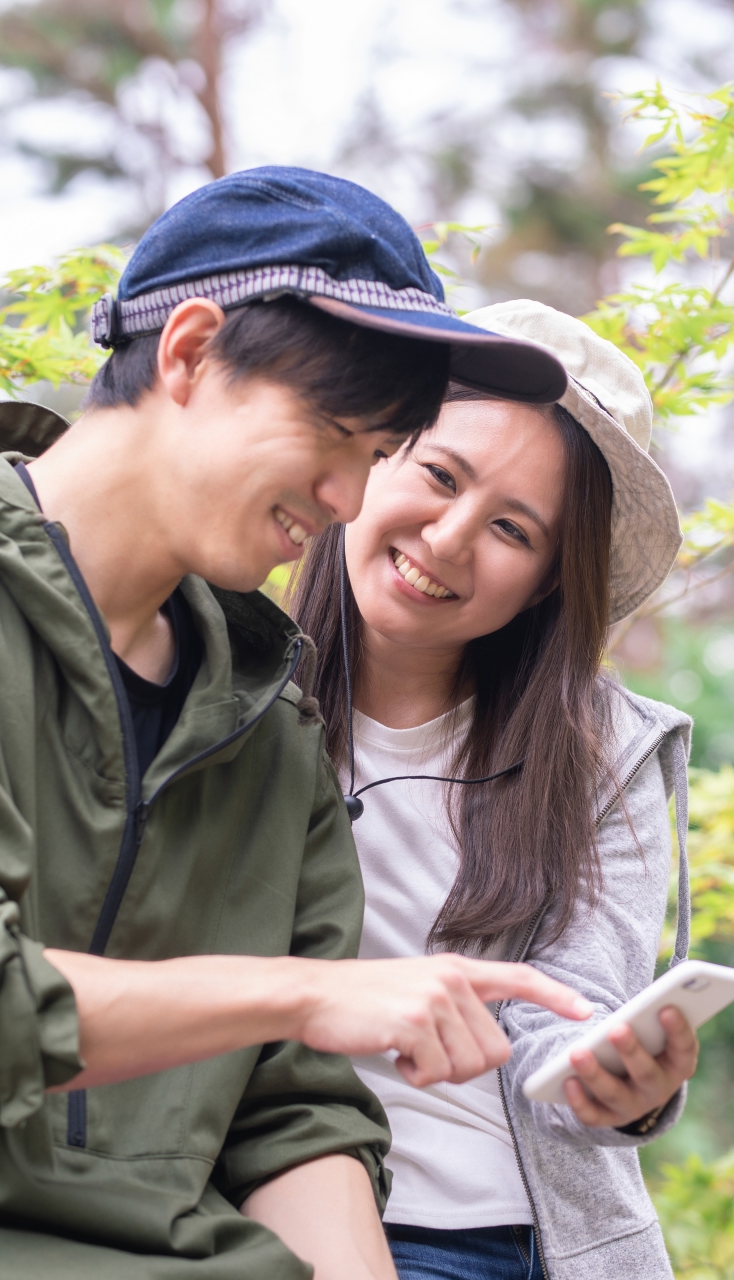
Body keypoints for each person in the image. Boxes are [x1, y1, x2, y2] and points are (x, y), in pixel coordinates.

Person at [0, 169, 596, 1280]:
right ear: (189, 351)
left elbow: (292, 1118)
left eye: (377, 456)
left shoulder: (266, 727)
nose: (345, 496)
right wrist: (310, 991)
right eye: (332, 431)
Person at [290, 300, 698, 1280]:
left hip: (508, 1234)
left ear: (548, 582)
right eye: (439, 474)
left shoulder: (599, 751)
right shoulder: (221, 690)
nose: (449, 536)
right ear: (376, 452)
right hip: (270, 1205)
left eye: (512, 528)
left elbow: (577, 997)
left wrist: (614, 1078)